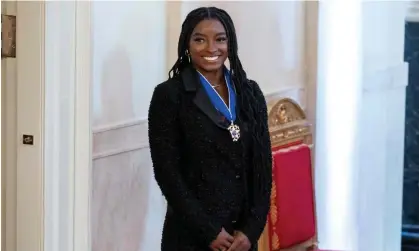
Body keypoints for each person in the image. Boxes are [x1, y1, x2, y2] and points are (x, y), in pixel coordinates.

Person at [148, 6, 272, 251]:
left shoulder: (250, 93)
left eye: (220, 39)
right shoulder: (169, 96)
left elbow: (263, 168)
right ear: (187, 44)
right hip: (192, 237)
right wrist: (209, 231)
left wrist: (251, 230)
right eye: (199, 39)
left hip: (242, 241)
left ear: (230, 44)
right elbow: (168, 175)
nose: (211, 48)